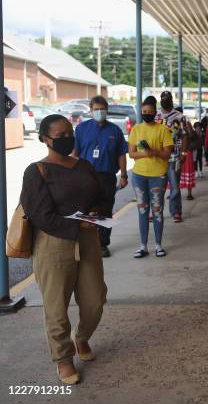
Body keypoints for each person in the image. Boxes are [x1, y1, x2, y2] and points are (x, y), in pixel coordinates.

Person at [20, 114, 109, 385]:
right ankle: (63, 359)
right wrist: (76, 227)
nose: (67, 139)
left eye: (70, 133)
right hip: (53, 244)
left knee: (95, 300)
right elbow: (39, 215)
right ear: (45, 139)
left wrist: (98, 211)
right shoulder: (36, 171)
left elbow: (102, 196)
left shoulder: (82, 166)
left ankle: (81, 337)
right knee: (57, 308)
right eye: (60, 136)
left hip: (87, 240)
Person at [73, 95, 128, 258]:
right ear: (90, 111)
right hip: (85, 176)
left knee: (105, 211)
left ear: (107, 110)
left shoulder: (115, 130)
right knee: (85, 210)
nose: (99, 112)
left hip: (107, 177)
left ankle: (103, 244)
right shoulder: (81, 129)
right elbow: (75, 153)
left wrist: (124, 175)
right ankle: (86, 243)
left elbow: (121, 154)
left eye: (102, 109)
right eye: (96, 110)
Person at [128, 96, 174, 258]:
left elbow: (168, 154)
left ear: (155, 112)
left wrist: (154, 153)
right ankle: (143, 246)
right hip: (139, 176)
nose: (146, 114)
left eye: (149, 112)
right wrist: (145, 154)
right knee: (142, 211)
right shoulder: (136, 129)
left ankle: (158, 245)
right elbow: (131, 153)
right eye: (144, 112)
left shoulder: (163, 130)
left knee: (157, 210)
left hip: (157, 176)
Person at [155, 91, 190, 223]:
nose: (165, 100)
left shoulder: (179, 116)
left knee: (175, 187)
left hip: (174, 156)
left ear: (171, 100)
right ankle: (156, 211)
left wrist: (184, 153)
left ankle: (176, 211)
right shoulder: (155, 115)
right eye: (163, 98)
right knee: (158, 187)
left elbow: (185, 135)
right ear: (160, 100)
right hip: (158, 158)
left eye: (168, 98)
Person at [180, 118, 197, 200]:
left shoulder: (186, 124)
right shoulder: (171, 124)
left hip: (186, 152)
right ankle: (175, 192)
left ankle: (189, 193)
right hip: (177, 152)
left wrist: (188, 127)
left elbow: (193, 136)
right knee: (175, 172)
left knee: (188, 170)